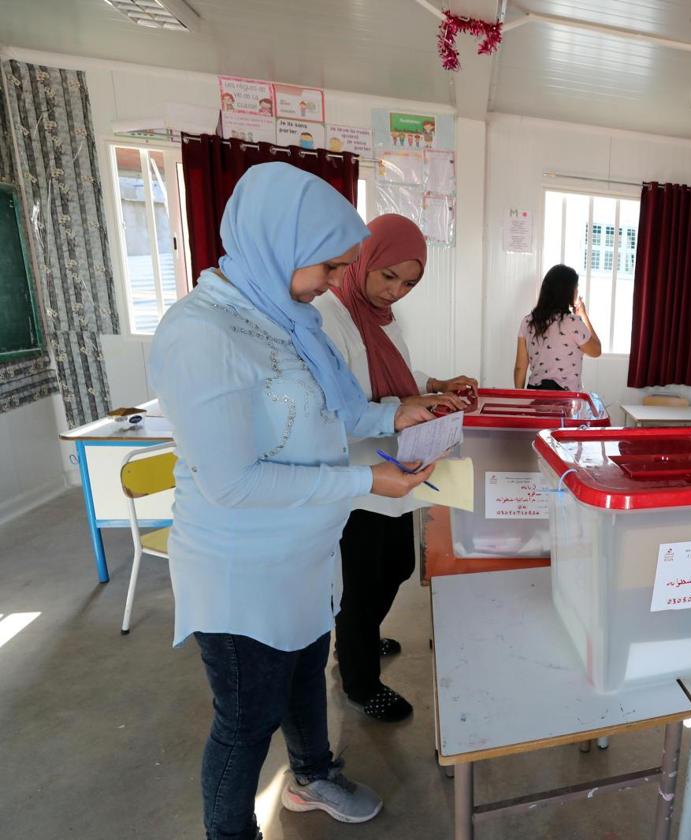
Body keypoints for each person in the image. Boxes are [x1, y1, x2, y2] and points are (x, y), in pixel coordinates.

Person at [148, 162, 435, 840]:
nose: (337, 281)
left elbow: (329, 412)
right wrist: (366, 482)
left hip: (305, 551)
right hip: (241, 569)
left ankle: (313, 776)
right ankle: (231, 832)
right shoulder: (202, 334)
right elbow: (234, 483)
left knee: (308, 672)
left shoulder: (285, 317)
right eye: (329, 266)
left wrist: (397, 414)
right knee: (246, 720)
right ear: (277, 245)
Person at [315, 213, 477, 722]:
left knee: (398, 567)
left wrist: (437, 383)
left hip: (396, 464)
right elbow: (342, 404)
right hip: (359, 476)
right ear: (364, 259)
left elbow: (400, 371)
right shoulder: (328, 316)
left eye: (409, 282)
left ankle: (359, 638)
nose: (396, 291)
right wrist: (413, 400)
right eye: (388, 276)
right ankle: (359, 680)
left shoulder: (384, 318)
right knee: (361, 583)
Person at [513, 264, 601, 390]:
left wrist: (520, 397)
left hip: (535, 395)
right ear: (568, 291)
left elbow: (520, 367)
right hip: (565, 399)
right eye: (576, 287)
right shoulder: (573, 322)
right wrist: (583, 314)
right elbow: (596, 350)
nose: (577, 291)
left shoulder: (527, 322)